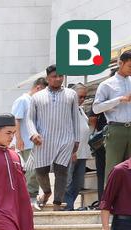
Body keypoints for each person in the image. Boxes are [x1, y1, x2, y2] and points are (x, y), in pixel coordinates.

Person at [27, 66, 82, 210]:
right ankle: (46, 192)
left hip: (65, 138)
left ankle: (57, 203)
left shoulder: (71, 94)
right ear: (47, 78)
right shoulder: (37, 97)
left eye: (60, 76)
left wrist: (76, 139)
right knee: (40, 171)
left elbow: (75, 118)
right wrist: (33, 134)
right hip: (43, 139)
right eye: (54, 76)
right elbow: (30, 119)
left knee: (61, 171)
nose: (58, 78)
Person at [94, 50, 131, 184]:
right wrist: (119, 99)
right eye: (130, 66)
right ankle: (109, 203)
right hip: (115, 129)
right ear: (120, 63)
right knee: (113, 168)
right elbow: (96, 108)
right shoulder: (107, 84)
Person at [11, 77, 47, 204]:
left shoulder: (35, 101)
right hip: (26, 142)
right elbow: (16, 119)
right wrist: (18, 138)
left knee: (36, 171)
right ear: (38, 88)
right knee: (31, 171)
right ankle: (28, 197)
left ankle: (31, 196)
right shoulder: (23, 100)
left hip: (36, 142)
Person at [63, 84, 93, 211]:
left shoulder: (80, 110)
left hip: (83, 152)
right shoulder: (66, 109)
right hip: (70, 152)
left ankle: (70, 206)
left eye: (84, 97)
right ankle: (66, 207)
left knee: (78, 183)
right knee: (67, 182)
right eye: (80, 97)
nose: (82, 99)